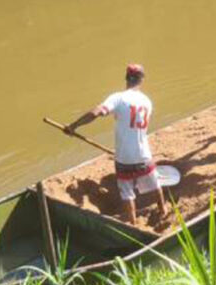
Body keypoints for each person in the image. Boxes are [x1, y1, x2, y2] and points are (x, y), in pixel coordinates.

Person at [64, 64, 168, 225]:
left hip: (124, 158)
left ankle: (133, 224)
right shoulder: (147, 102)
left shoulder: (118, 98)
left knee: (127, 193)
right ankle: (163, 211)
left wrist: (73, 126)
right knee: (155, 185)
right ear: (141, 80)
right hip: (143, 155)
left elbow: (96, 112)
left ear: (126, 78)